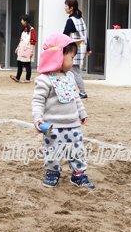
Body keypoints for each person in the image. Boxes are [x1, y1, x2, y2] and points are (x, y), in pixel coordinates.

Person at [32, 33, 94, 189]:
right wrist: (38, 119)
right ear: (57, 56)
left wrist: (82, 112)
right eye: (71, 57)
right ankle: (52, 173)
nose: (73, 61)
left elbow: (76, 97)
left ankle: (78, 175)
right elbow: (38, 101)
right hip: (53, 127)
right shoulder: (44, 79)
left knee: (77, 150)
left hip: (73, 125)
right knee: (52, 151)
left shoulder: (70, 76)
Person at [62, 0, 90, 99]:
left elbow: (65, 35)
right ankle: (76, 91)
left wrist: (62, 48)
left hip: (72, 48)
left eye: (66, 6)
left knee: (73, 71)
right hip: (80, 47)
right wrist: (88, 48)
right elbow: (85, 35)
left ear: (71, 8)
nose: (65, 7)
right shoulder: (80, 19)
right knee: (74, 70)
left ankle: (82, 92)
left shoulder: (71, 20)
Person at [11, 15, 37, 84]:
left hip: (27, 49)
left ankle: (27, 79)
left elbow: (33, 41)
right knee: (19, 63)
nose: (21, 21)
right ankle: (17, 77)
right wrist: (17, 47)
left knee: (27, 64)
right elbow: (21, 40)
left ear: (25, 21)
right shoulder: (24, 29)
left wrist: (31, 51)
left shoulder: (32, 30)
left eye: (22, 20)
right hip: (22, 48)